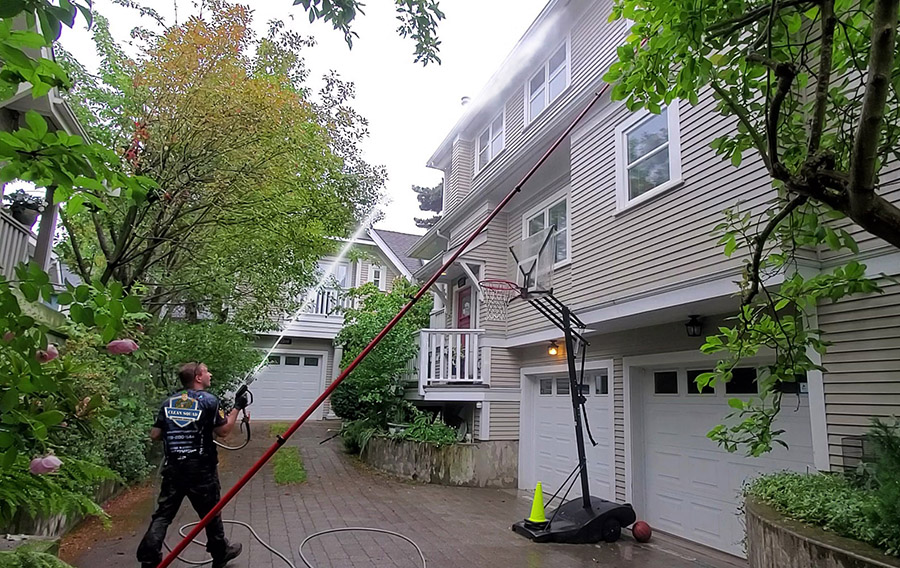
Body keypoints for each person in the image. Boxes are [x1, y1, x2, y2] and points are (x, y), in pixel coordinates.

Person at [137, 362, 250, 568]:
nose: (210, 374)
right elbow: (223, 432)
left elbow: (155, 434)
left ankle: (149, 558)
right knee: (211, 513)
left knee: (163, 515)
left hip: (173, 468)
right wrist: (237, 407)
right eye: (207, 371)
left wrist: (176, 430)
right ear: (198, 377)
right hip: (201, 470)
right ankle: (220, 553)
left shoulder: (170, 401)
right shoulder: (209, 400)